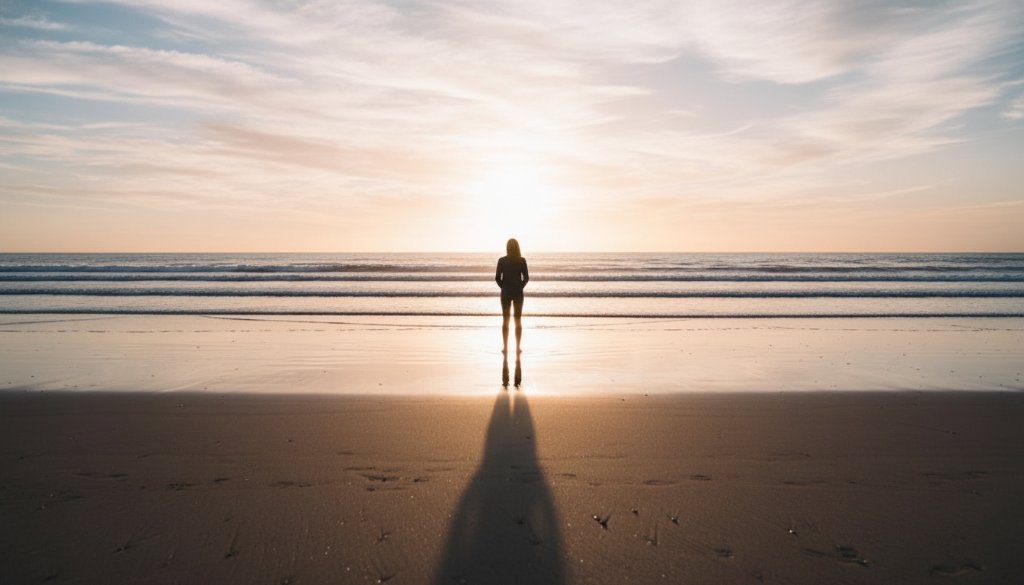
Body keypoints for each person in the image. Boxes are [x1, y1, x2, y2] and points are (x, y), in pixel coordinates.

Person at [495, 238, 529, 354]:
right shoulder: (522, 260)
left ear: (507, 247)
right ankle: (518, 347)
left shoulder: (502, 261)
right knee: (518, 321)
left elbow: (497, 278)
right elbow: (526, 278)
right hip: (518, 293)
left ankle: (505, 347)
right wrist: (521, 286)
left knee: (506, 320)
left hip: (506, 293)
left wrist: (503, 287)